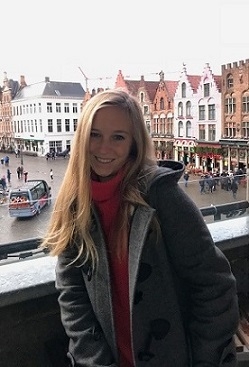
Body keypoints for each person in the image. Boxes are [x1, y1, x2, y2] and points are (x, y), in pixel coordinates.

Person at [41, 89, 239, 367]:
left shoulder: (162, 197)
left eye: (118, 137)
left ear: (134, 143)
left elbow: (214, 286)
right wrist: (94, 359)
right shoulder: (76, 204)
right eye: (94, 135)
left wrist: (205, 359)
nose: (103, 148)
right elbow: (71, 291)